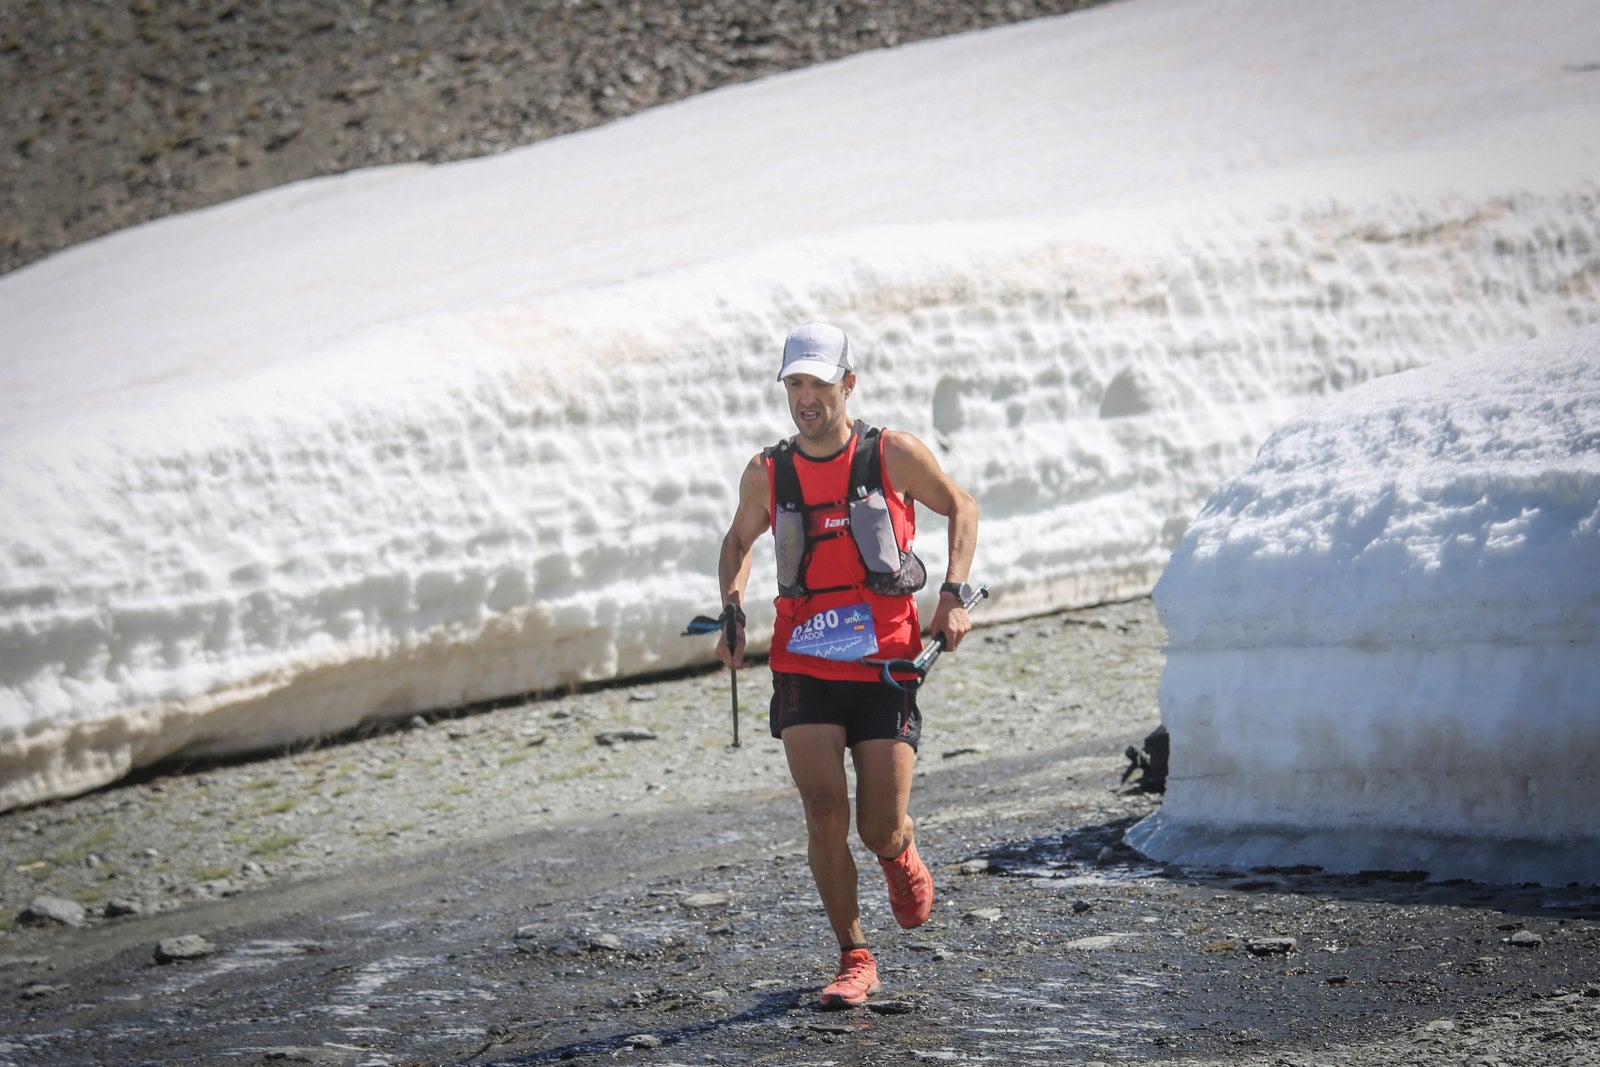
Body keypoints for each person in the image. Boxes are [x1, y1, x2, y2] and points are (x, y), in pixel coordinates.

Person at [716, 322, 979, 1010]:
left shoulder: (890, 453)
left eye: (818, 383)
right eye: (794, 384)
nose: (805, 397)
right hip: (803, 663)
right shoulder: (768, 471)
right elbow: (738, 539)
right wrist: (732, 607)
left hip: (886, 666)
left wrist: (951, 592)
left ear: (848, 384)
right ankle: (854, 954)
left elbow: (962, 506)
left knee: (877, 826)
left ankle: (900, 853)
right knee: (824, 811)